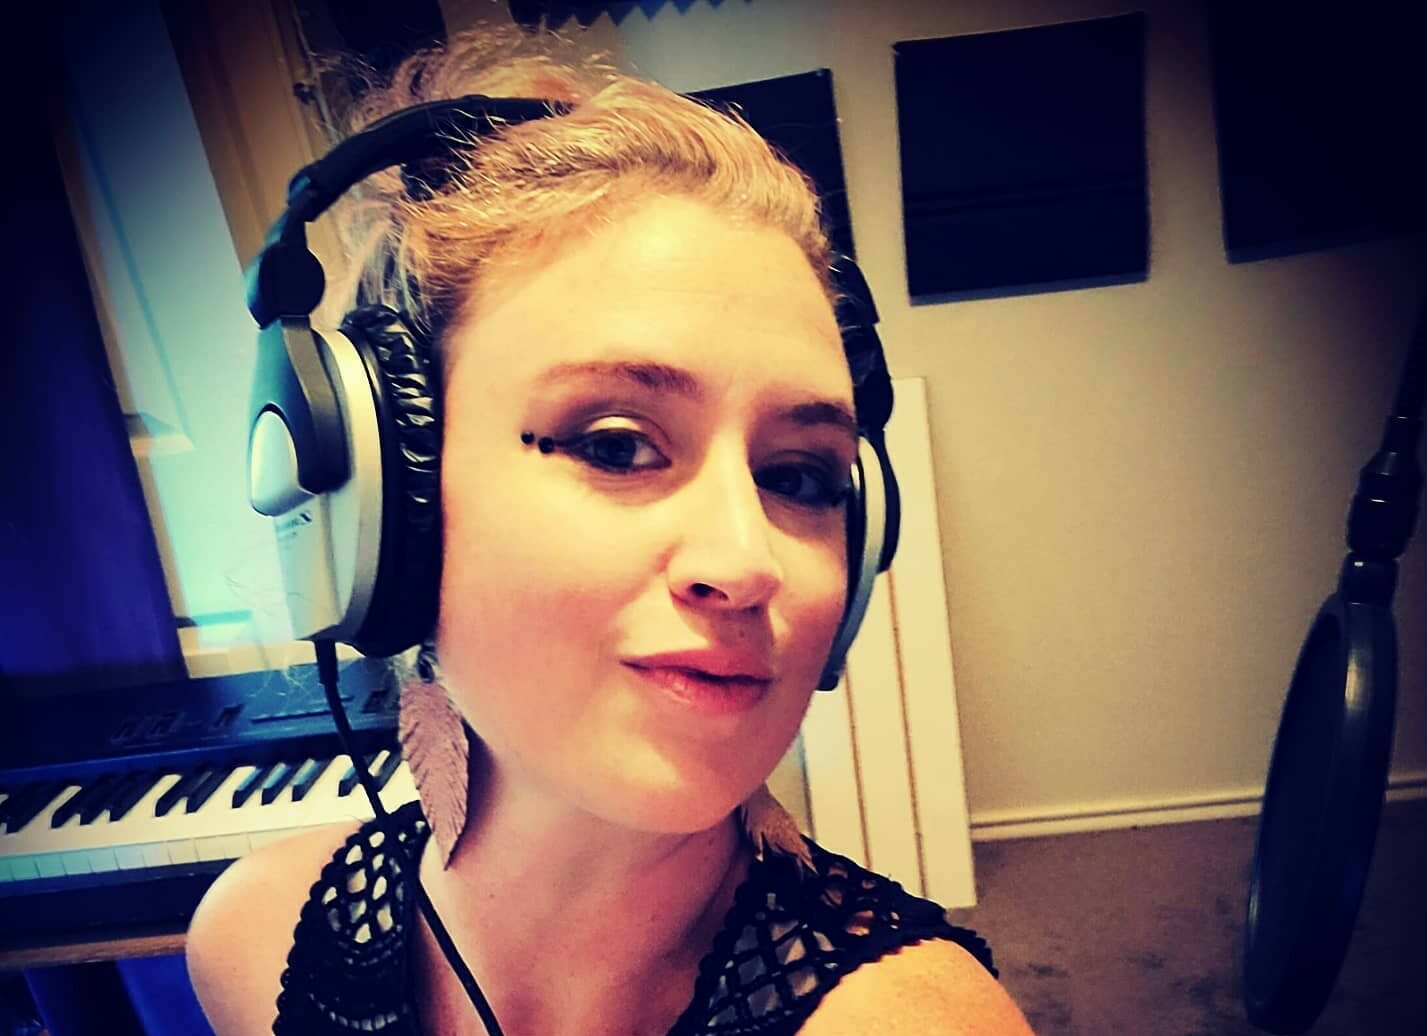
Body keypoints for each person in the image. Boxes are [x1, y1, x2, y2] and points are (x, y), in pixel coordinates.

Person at [185, 27, 1036, 1036]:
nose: (745, 561)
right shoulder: (250, 940)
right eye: (618, 446)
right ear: (381, 503)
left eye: (798, 477)